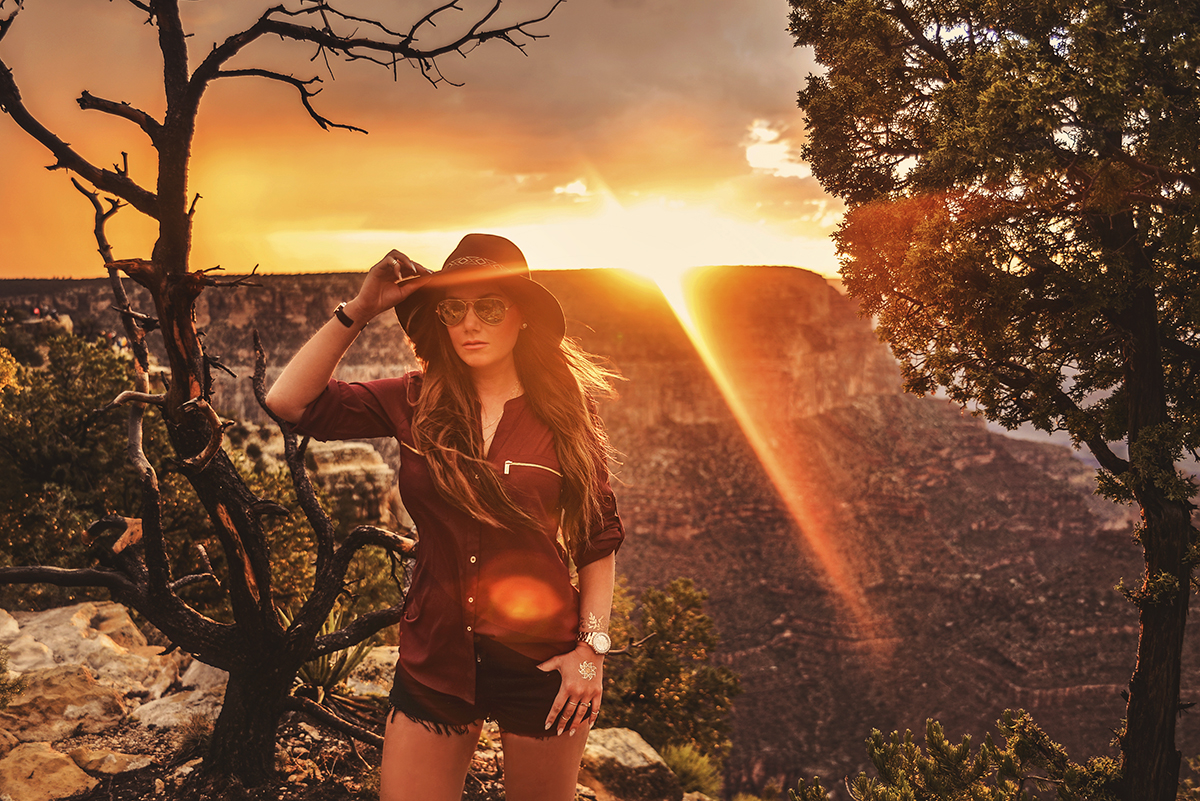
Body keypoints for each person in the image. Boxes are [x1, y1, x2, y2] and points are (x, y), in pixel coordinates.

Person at [265, 234, 624, 801]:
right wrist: (359, 310)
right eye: (453, 309)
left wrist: (591, 652)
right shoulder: (414, 399)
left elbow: (597, 541)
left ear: (522, 317)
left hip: (543, 662)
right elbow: (290, 403)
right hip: (436, 654)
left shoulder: (564, 412)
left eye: (490, 307)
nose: (470, 324)